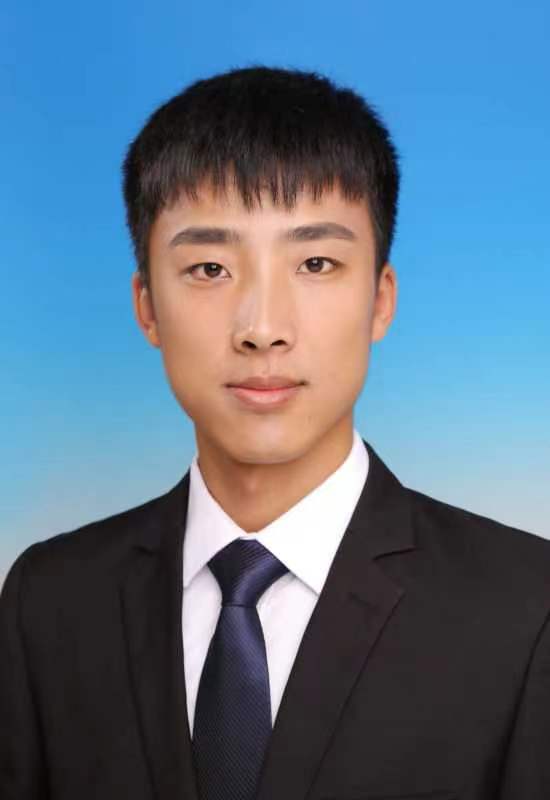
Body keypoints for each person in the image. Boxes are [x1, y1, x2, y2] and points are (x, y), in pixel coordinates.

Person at [1, 66, 549, 800]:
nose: (262, 328)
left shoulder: (526, 609)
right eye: (209, 268)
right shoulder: (49, 601)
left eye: (316, 263)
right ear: (147, 306)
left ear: (380, 300)